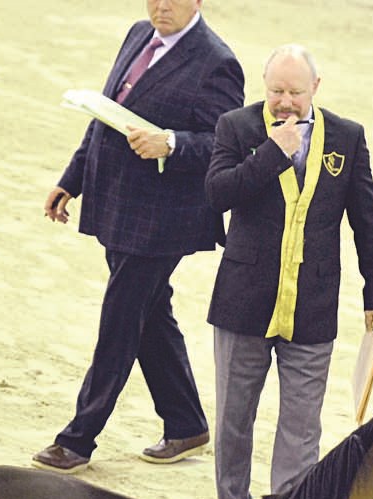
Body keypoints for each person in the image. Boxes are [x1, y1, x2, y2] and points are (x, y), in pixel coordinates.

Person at [34, 0, 244, 474]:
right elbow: (105, 115)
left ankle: (78, 440)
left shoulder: (218, 61)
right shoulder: (137, 35)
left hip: (166, 217)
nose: (161, 5)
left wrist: (171, 142)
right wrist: (72, 180)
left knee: (121, 318)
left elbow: (225, 142)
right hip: (119, 203)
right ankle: (186, 423)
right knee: (149, 311)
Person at [205, 44, 373, 499]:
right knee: (234, 419)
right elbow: (217, 193)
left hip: (312, 305)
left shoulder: (347, 137)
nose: (285, 102)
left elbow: (368, 220)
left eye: (295, 92)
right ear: (263, 87)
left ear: (316, 88)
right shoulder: (237, 126)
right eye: (276, 91)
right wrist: (272, 152)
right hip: (243, 302)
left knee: (302, 424)